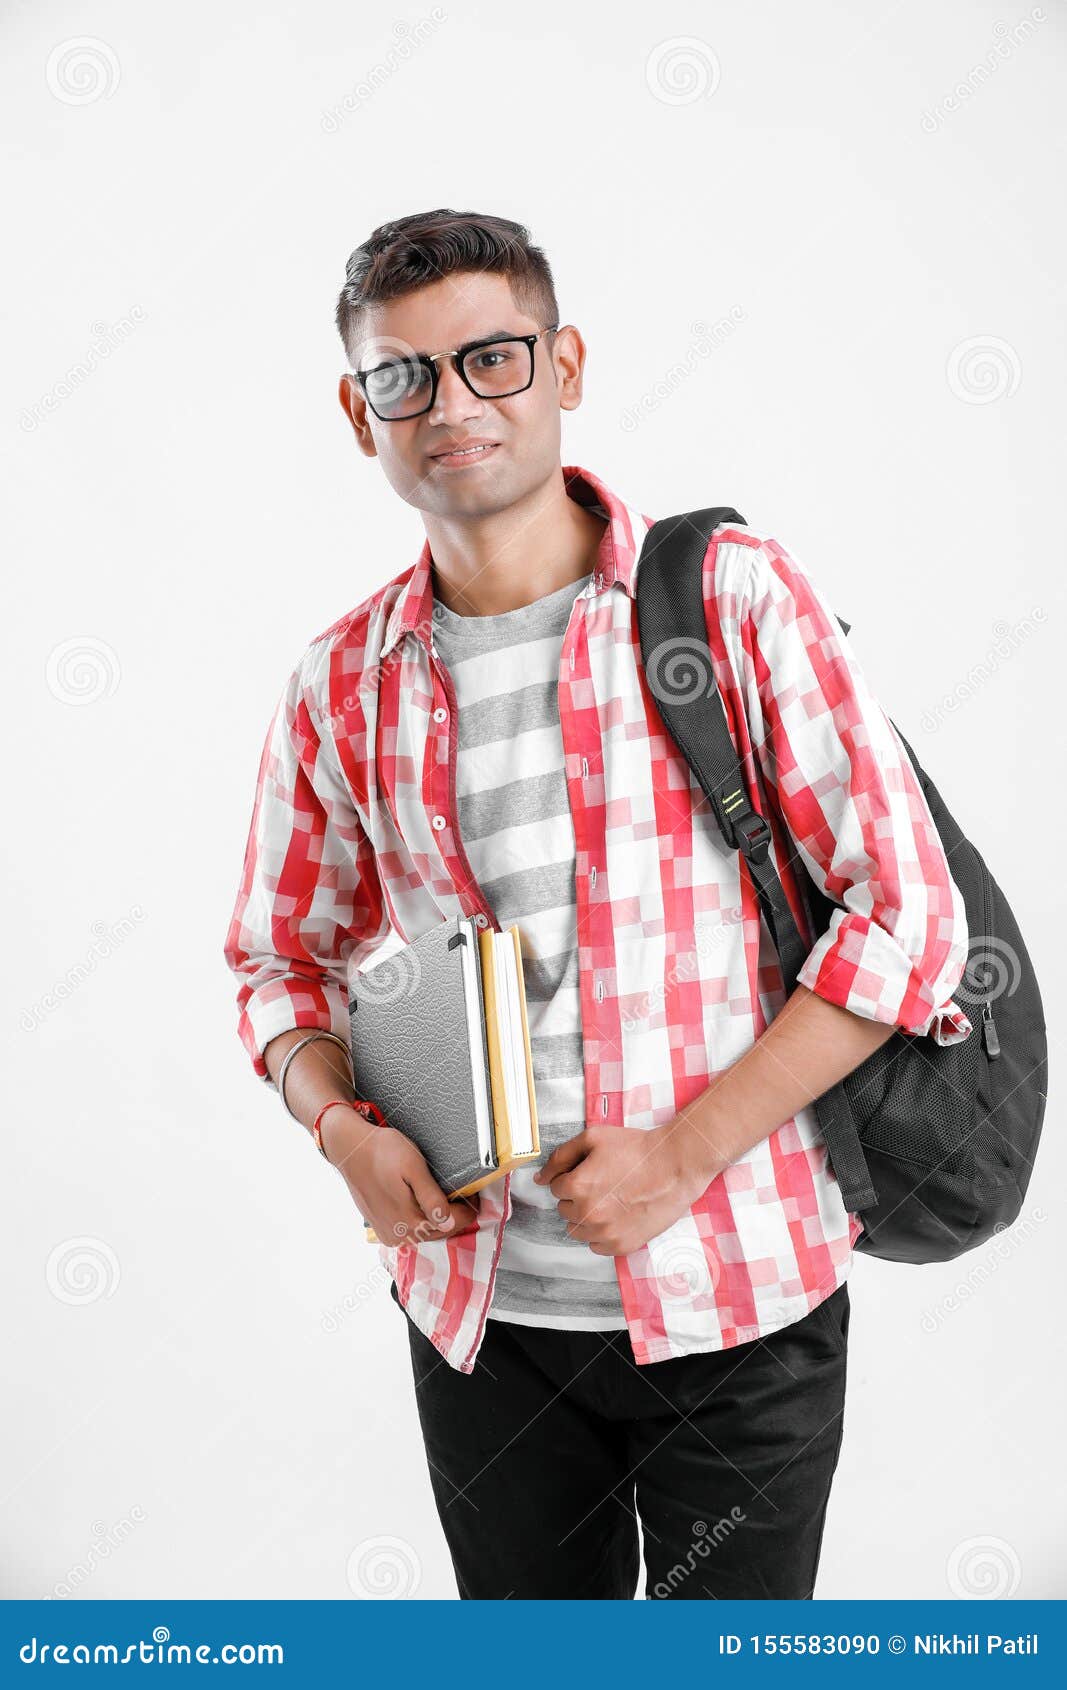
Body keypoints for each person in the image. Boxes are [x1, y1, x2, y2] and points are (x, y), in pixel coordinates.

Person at [222, 207, 973, 1601]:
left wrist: (684, 1153)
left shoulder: (726, 602)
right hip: (482, 1319)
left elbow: (908, 923)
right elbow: (279, 962)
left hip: (743, 1299)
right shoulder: (340, 681)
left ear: (564, 365)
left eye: (492, 358)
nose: (452, 404)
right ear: (359, 411)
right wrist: (339, 1129)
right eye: (404, 375)